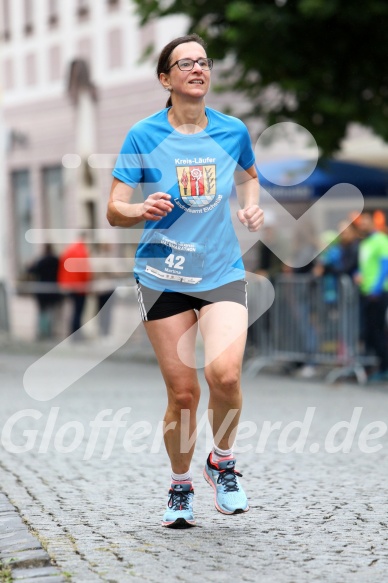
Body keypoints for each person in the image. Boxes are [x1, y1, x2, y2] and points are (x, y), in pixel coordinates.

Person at [107, 34, 264, 528]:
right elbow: (114, 208)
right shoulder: (143, 134)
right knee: (183, 395)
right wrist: (139, 208)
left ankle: (222, 461)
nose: (198, 69)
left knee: (226, 375)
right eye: (185, 63)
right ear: (165, 78)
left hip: (220, 271)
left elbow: (250, 175)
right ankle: (179, 485)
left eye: (203, 62)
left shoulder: (232, 129)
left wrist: (252, 203)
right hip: (162, 276)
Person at [355, 211, 388, 382]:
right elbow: (365, 266)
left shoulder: (381, 240)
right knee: (368, 332)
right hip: (366, 292)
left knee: (377, 332)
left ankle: (384, 367)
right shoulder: (364, 243)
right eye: (361, 223)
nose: (363, 225)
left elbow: (385, 266)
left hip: (378, 293)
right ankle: (376, 367)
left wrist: (376, 289)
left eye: (366, 222)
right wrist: (357, 274)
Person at [57, 234, 91, 339]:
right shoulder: (81, 251)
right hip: (79, 287)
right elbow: (84, 271)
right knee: (78, 312)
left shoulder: (68, 250)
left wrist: (62, 283)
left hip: (68, 286)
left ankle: (72, 332)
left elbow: (61, 268)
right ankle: (76, 334)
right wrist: (86, 284)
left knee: (71, 311)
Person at [27, 244, 61, 339]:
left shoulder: (41, 261)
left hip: (42, 290)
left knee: (42, 312)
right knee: (51, 311)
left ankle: (43, 331)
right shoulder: (56, 261)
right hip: (53, 290)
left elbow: (31, 271)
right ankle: (49, 331)